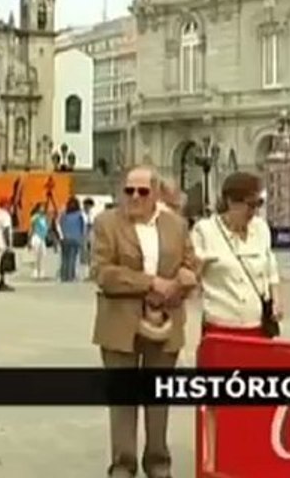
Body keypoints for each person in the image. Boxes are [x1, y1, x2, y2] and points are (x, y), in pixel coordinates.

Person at [91, 166, 198, 478]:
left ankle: (158, 463)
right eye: (129, 191)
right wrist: (151, 283)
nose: (134, 197)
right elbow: (104, 274)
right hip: (120, 325)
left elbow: (189, 264)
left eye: (142, 191)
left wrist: (183, 281)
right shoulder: (106, 224)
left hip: (164, 324)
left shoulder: (176, 226)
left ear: (156, 194)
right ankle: (123, 465)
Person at [190, 172, 283, 340]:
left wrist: (276, 301)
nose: (254, 212)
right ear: (230, 202)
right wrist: (198, 266)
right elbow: (192, 278)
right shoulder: (205, 231)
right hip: (220, 325)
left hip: (257, 326)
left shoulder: (261, 228)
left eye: (258, 204)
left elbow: (271, 271)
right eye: (250, 205)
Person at [58, 196, 87, 283]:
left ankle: (64, 276)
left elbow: (60, 225)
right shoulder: (79, 214)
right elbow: (83, 227)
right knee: (72, 258)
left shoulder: (64, 214)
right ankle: (71, 276)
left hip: (65, 238)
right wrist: (82, 238)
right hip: (75, 238)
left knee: (64, 258)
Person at [27, 203, 49, 280]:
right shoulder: (35, 217)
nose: (42, 209)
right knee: (35, 255)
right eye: (41, 207)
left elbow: (46, 227)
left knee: (42, 255)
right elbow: (31, 229)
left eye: (43, 208)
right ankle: (35, 271)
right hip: (36, 237)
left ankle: (42, 272)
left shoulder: (45, 218)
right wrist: (29, 240)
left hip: (42, 238)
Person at [81, 197, 96, 271]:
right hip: (83, 234)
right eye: (87, 206)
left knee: (91, 253)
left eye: (90, 206)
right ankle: (85, 271)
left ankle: (91, 270)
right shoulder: (81, 214)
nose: (88, 207)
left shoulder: (93, 214)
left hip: (91, 234)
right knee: (84, 253)